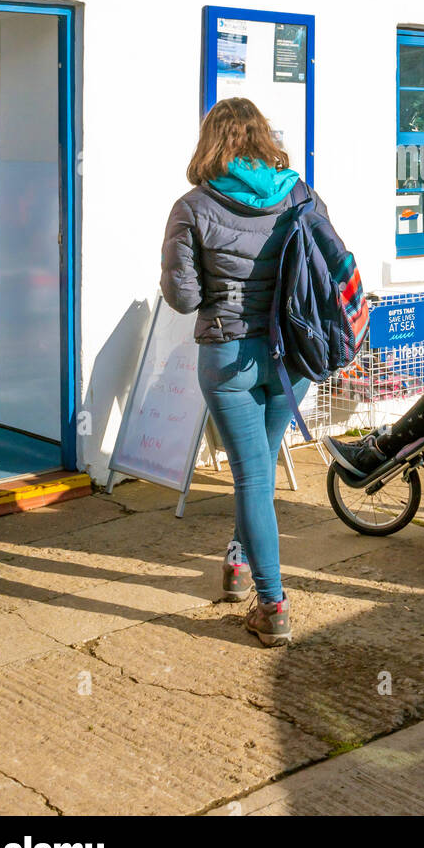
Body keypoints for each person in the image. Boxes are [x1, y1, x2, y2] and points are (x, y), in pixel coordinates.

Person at [161, 97, 337, 647]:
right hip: (294, 358)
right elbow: (327, 265)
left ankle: (273, 603)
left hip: (230, 356)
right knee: (257, 469)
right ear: (263, 136)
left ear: (210, 141)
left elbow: (183, 297)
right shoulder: (301, 195)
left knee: (253, 478)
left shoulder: (192, 207)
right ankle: (237, 565)